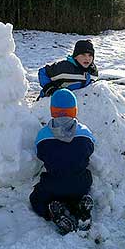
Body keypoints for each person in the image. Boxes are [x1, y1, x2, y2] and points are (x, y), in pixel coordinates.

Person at [30, 89, 96, 235]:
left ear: (52, 111)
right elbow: (90, 149)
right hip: (81, 183)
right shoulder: (85, 133)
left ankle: (54, 213)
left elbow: (40, 154)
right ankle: (80, 207)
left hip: (53, 184)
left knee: (36, 199)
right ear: (75, 111)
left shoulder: (43, 135)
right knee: (77, 189)